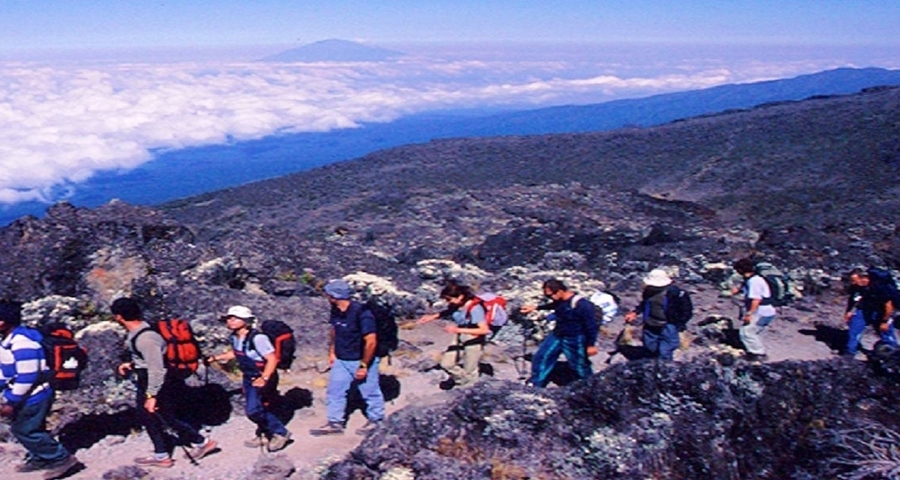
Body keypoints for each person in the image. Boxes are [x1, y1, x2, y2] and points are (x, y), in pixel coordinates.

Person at [113, 297, 218, 467]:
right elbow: (149, 358)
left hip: (154, 381)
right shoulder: (141, 332)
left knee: (152, 414)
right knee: (159, 415)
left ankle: (188, 447)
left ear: (118, 317)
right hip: (149, 377)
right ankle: (183, 447)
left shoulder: (145, 338)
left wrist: (152, 395)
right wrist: (132, 365)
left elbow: (157, 368)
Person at [0, 300, 80, 479]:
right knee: (30, 426)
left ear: (3, 322)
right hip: (25, 395)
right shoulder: (9, 340)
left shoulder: (22, 343)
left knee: (25, 429)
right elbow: (8, 371)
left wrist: (11, 401)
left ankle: (60, 458)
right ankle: (39, 457)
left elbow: (27, 376)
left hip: (34, 396)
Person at [207, 305, 292, 451]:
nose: (230, 321)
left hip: (263, 376)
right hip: (249, 376)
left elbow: (271, 360)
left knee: (254, 410)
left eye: (234, 318)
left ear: (245, 321)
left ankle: (280, 432)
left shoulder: (258, 338)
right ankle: (265, 433)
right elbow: (236, 353)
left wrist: (264, 378)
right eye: (229, 318)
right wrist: (216, 358)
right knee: (260, 406)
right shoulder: (235, 337)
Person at [311, 279, 385, 436]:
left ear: (334, 296)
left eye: (328, 294)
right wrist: (332, 351)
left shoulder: (363, 314)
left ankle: (377, 420)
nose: (326, 297)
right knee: (335, 391)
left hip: (361, 360)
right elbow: (334, 330)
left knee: (370, 391)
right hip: (342, 359)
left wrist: (364, 365)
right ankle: (335, 422)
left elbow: (371, 342)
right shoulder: (336, 310)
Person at [519, 279, 598, 388]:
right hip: (557, 335)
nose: (550, 298)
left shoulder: (582, 304)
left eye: (551, 295)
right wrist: (536, 308)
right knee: (541, 357)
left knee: (579, 364)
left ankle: (590, 386)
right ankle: (536, 384)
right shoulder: (560, 301)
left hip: (574, 338)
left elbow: (591, 326)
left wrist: (591, 344)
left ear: (560, 291)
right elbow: (555, 305)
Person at [416, 283, 490, 390]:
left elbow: (484, 330)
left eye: (449, 299)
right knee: (447, 363)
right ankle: (462, 380)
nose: (448, 302)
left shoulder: (475, 308)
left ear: (460, 296)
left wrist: (456, 329)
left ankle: (467, 389)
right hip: (460, 336)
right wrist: (432, 317)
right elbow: (449, 311)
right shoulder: (457, 305)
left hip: (474, 339)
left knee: (470, 369)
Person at [624, 269, 693, 361]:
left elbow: (686, 310)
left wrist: (679, 324)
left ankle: (665, 368)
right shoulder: (649, 291)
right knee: (650, 346)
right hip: (650, 323)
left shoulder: (676, 293)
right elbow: (645, 303)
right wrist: (635, 312)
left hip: (668, 324)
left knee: (665, 350)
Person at [844, 268, 898, 357]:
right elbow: (853, 298)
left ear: (863, 278)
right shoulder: (858, 287)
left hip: (881, 312)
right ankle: (850, 352)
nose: (853, 283)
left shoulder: (880, 287)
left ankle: (893, 352)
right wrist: (849, 311)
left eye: (854, 280)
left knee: (885, 332)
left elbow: (889, 306)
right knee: (854, 329)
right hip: (865, 309)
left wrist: (885, 322)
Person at [732, 258, 777, 362]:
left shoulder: (754, 281)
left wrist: (749, 314)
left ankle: (758, 355)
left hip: (761, 312)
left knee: (746, 332)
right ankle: (756, 352)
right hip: (767, 311)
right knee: (755, 332)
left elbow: (756, 299)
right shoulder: (753, 279)